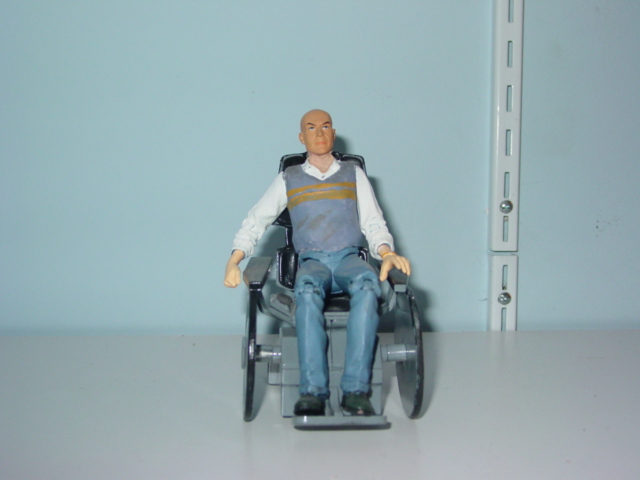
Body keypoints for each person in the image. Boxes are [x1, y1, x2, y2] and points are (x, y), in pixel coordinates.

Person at [224, 109, 410, 416]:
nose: (320, 133)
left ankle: (356, 390)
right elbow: (255, 221)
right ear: (302, 137)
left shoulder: (353, 174)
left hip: (349, 258)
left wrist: (387, 253)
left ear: (333, 133)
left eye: (325, 127)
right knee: (307, 291)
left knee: (368, 286)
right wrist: (235, 259)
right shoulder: (289, 178)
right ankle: (312, 391)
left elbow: (373, 222)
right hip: (313, 261)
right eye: (311, 128)